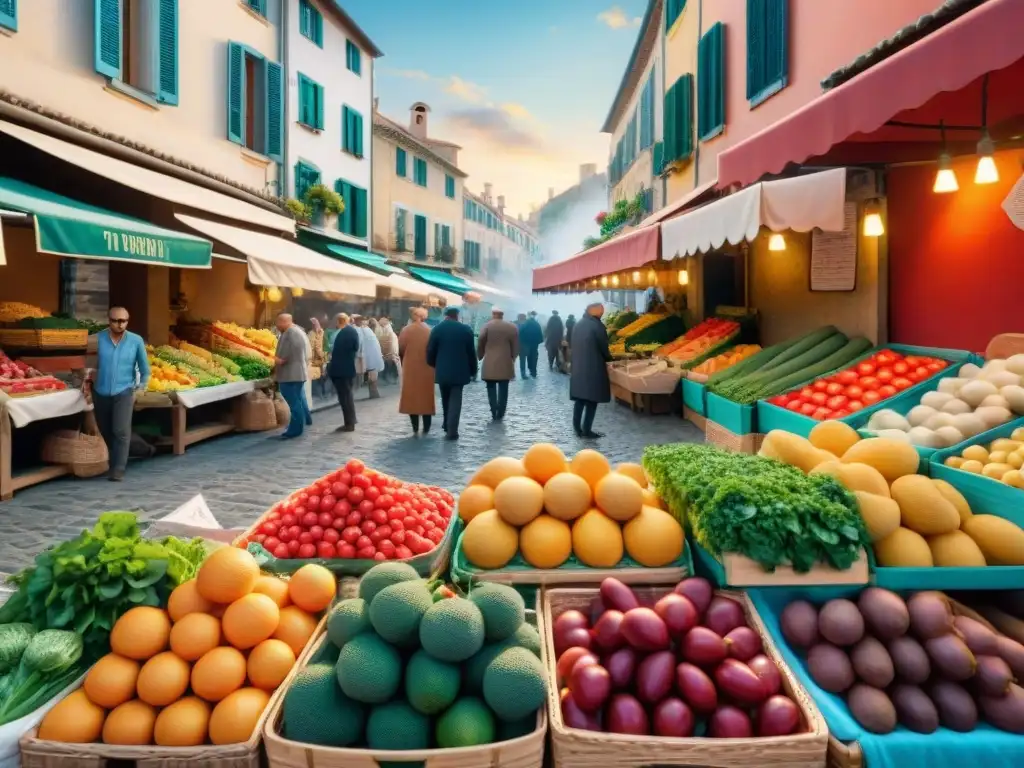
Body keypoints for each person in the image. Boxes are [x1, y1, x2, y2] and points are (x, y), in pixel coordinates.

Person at [91, 306, 150, 481]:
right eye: (116, 321)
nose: (120, 324)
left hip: (124, 390)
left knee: (121, 430)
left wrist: (141, 388)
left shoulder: (136, 341)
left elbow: (145, 369)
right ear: (109, 321)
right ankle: (142, 449)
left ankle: (118, 468)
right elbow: (88, 365)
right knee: (106, 430)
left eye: (123, 321)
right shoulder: (96, 340)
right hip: (100, 391)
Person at [426, 306, 477, 440]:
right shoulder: (466, 330)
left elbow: (430, 350)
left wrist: (433, 363)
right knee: (456, 399)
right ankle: (452, 430)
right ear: (457, 315)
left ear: (445, 315)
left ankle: (447, 423)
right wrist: (473, 370)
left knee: (445, 398)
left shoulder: (437, 329)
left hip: (442, 370)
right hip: (460, 370)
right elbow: (471, 353)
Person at [569, 302, 612, 439]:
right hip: (594, 367)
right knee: (592, 400)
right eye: (601, 310)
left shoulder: (579, 324)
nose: (603, 312)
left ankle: (577, 428)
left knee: (580, 398)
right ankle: (587, 430)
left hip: (579, 367)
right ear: (595, 311)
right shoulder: (597, 326)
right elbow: (603, 347)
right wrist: (610, 358)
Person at [477, 308, 519, 422]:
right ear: (502, 315)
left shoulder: (486, 326)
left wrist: (480, 355)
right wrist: (513, 357)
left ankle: (493, 410)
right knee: (504, 388)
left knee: (490, 387)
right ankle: (501, 412)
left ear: (493, 315)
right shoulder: (511, 327)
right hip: (505, 361)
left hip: (490, 361)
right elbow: (516, 346)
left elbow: (481, 341)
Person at [398, 308, 435, 435]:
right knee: (426, 397)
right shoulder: (430, 330)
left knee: (411, 397)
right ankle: (426, 427)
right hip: (427, 367)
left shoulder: (406, 330)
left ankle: (415, 427)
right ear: (425, 317)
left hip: (410, 367)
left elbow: (401, 348)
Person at [274, 313, 311, 439]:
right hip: (297, 373)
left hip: (291, 374)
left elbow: (285, 355)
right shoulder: (296, 331)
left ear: (284, 322)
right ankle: (298, 426)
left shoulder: (290, 333)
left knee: (294, 403)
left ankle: (295, 430)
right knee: (297, 401)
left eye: (278, 322)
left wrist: (278, 360)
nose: (277, 325)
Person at [328, 313, 360, 432]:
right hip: (347, 368)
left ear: (338, 321)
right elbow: (356, 347)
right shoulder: (352, 331)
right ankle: (350, 421)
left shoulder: (341, 333)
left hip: (340, 370)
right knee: (347, 396)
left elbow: (332, 349)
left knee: (345, 398)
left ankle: (349, 423)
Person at [354, 315, 384, 399]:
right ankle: (373, 392)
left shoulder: (359, 330)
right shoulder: (368, 331)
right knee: (373, 373)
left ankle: (372, 392)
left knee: (367, 374)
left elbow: (359, 344)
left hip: (366, 356)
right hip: (373, 356)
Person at [518, 311, 543, 378]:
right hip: (534, 345)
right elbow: (541, 337)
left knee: (523, 359)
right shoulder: (537, 324)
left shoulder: (524, 324)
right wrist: (536, 342)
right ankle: (533, 372)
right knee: (533, 358)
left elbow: (519, 333)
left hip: (524, 344)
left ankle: (523, 374)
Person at [308, 317, 327, 398]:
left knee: (317, 377)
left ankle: (319, 393)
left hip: (316, 359)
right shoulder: (317, 333)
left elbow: (318, 346)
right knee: (318, 376)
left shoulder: (315, 333)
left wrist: (322, 355)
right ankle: (321, 393)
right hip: (317, 359)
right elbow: (317, 346)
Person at [378, 317, 401, 384]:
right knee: (391, 365)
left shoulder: (387, 331)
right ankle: (391, 378)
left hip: (390, 352)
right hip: (390, 352)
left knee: (390, 365)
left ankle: (390, 378)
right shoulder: (388, 331)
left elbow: (389, 342)